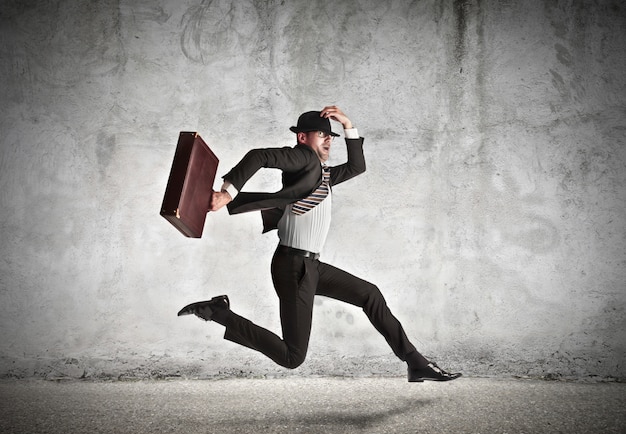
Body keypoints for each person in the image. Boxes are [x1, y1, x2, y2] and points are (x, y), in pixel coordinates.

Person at [178, 105, 461, 382]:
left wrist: (348, 125)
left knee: (370, 294)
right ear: (302, 137)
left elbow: (356, 166)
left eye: (331, 136)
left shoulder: (320, 175)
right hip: (294, 267)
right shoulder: (304, 159)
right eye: (321, 134)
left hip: (309, 266)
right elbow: (259, 155)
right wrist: (227, 194)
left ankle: (415, 363)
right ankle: (218, 312)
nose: (328, 139)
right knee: (292, 357)